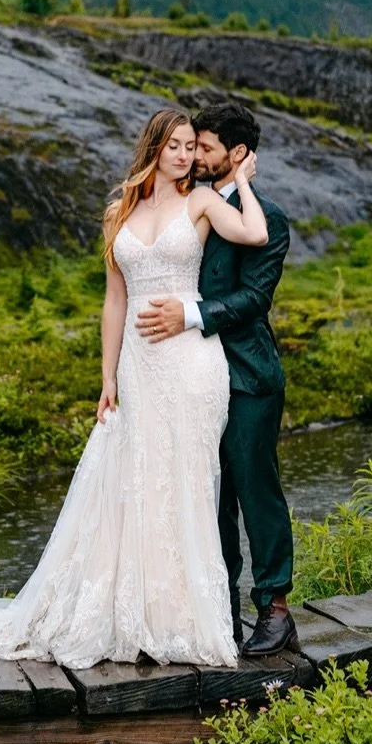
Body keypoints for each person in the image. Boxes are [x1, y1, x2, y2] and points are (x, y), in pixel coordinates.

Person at [0, 107, 268, 670]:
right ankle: (132, 608)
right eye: (174, 146)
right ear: (153, 147)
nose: (185, 156)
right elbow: (114, 300)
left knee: (183, 481)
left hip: (191, 363)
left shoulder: (203, 202)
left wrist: (241, 180)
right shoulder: (118, 211)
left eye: (191, 147)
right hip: (139, 363)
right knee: (135, 478)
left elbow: (256, 232)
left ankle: (179, 617)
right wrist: (106, 376)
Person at [134, 101, 296, 657]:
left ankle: (275, 608)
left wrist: (192, 315)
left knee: (256, 491)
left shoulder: (267, 216)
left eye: (205, 147)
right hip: (190, 377)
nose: (194, 156)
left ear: (239, 154)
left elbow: (255, 298)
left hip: (249, 377)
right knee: (207, 496)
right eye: (191, 146)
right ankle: (217, 608)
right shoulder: (186, 204)